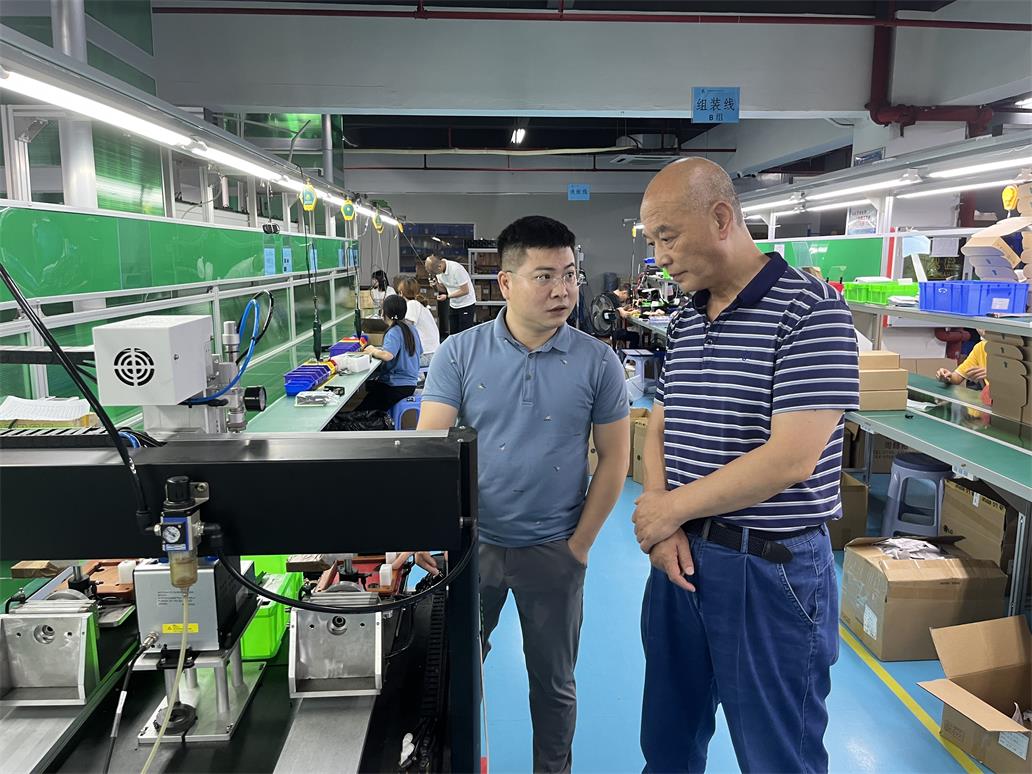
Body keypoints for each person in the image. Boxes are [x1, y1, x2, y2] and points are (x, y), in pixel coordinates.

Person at [633, 158, 859, 773]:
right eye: (652, 241)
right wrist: (663, 525)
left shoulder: (811, 311)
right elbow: (660, 422)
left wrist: (667, 510)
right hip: (680, 559)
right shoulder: (685, 318)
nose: (660, 257)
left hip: (767, 569)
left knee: (777, 754)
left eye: (667, 237)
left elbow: (791, 458)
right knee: (668, 745)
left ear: (721, 218)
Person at [400, 216, 630, 773]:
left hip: (554, 550)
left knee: (553, 685)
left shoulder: (598, 361)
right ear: (505, 283)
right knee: (454, 673)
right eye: (544, 276)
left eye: (570, 275)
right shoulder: (460, 353)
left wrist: (579, 545)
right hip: (472, 550)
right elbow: (432, 447)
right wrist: (424, 525)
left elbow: (615, 459)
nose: (562, 290)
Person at [354, 294, 421, 412]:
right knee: (371, 391)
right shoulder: (411, 328)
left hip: (395, 386)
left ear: (385, 312)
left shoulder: (394, 331)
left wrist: (372, 350)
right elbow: (418, 352)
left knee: (362, 411)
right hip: (410, 384)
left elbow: (387, 355)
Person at [424, 253, 476, 336]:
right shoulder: (439, 272)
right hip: (454, 305)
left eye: (435, 273)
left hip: (466, 304)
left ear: (439, 266)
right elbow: (443, 289)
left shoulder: (456, 269)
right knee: (453, 334)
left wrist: (447, 296)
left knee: (465, 335)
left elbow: (465, 290)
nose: (435, 275)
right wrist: (435, 285)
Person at [397, 277, 440, 366]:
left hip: (426, 355)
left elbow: (406, 328)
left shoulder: (412, 304)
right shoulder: (419, 304)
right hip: (433, 353)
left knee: (394, 363)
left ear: (401, 293)